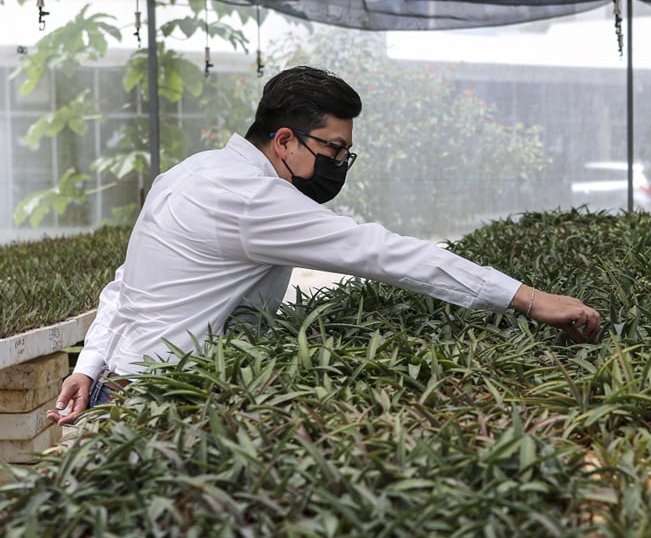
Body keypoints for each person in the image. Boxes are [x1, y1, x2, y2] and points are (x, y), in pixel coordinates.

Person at [49, 66, 601, 425]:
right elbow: (383, 253)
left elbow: (127, 283)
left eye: (345, 154)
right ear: (284, 140)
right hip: (158, 407)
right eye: (333, 150)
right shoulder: (251, 199)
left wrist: (91, 365)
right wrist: (527, 299)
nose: (338, 165)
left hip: (115, 388)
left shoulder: (190, 172)